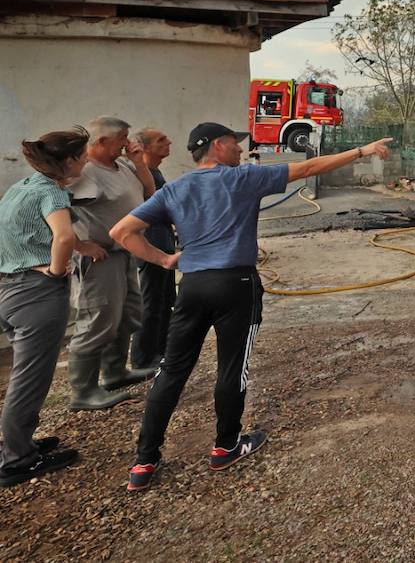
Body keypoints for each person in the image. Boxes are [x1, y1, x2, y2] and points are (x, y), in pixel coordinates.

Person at [112, 123, 393, 491]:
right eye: (234, 143)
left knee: (172, 370)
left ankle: (144, 462)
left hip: (193, 286)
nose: (241, 150)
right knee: (232, 367)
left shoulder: (176, 188)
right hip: (236, 285)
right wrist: (362, 150)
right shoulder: (243, 179)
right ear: (217, 146)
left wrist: (165, 260)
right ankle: (226, 446)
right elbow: (308, 168)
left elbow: (121, 232)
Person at [0, 129, 88, 486]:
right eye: (82, 155)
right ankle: (17, 460)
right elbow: (64, 237)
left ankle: (18, 444)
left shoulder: (21, 187)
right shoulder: (52, 193)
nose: (85, 160)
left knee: (24, 377)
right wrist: (54, 271)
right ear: (67, 161)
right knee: (29, 381)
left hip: (9, 289)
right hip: (36, 295)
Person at [67, 116, 157, 410]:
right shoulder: (84, 174)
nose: (127, 143)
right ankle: (83, 392)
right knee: (97, 321)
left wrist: (140, 163)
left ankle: (115, 373)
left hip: (123, 253)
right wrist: (80, 244)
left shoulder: (123, 166)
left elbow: (149, 195)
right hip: (100, 258)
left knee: (127, 315)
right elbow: (55, 212)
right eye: (122, 138)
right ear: (102, 141)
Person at [129, 128, 176, 370]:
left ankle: (162, 351)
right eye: (161, 140)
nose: (168, 142)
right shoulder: (142, 175)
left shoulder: (154, 172)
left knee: (166, 301)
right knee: (151, 303)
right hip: (151, 247)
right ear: (145, 148)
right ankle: (143, 358)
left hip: (164, 244)